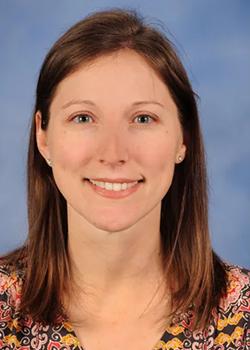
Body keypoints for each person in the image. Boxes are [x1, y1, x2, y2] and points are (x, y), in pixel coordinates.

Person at [0, 8, 249, 350]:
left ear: (183, 139)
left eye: (143, 118)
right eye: (83, 117)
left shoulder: (243, 317)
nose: (114, 152)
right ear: (44, 138)